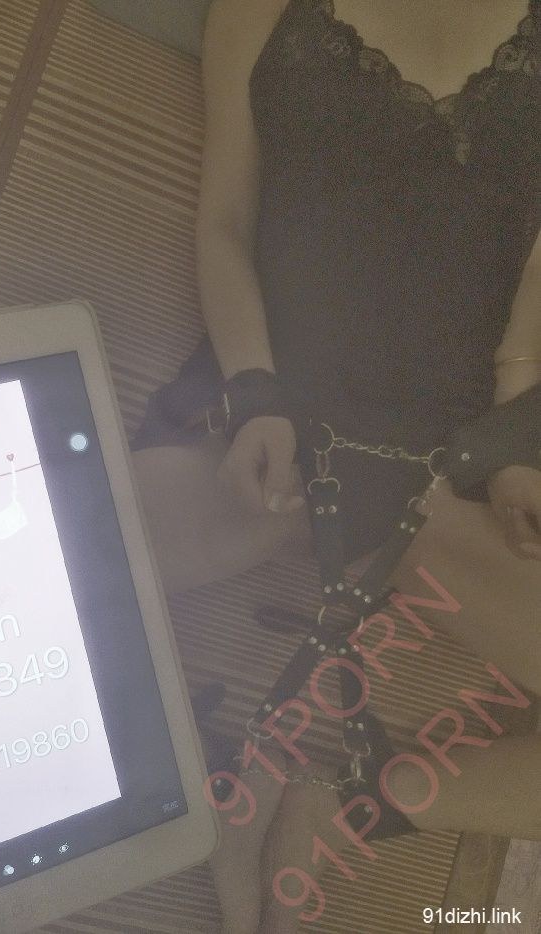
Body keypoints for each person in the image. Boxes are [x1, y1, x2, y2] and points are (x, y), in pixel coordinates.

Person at [131, 0, 541, 931]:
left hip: (439, 479)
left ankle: (353, 802)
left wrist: (518, 446)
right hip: (269, 428)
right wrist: (254, 392)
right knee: (28, 585)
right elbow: (224, 221)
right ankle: (207, 783)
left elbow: (532, 304)